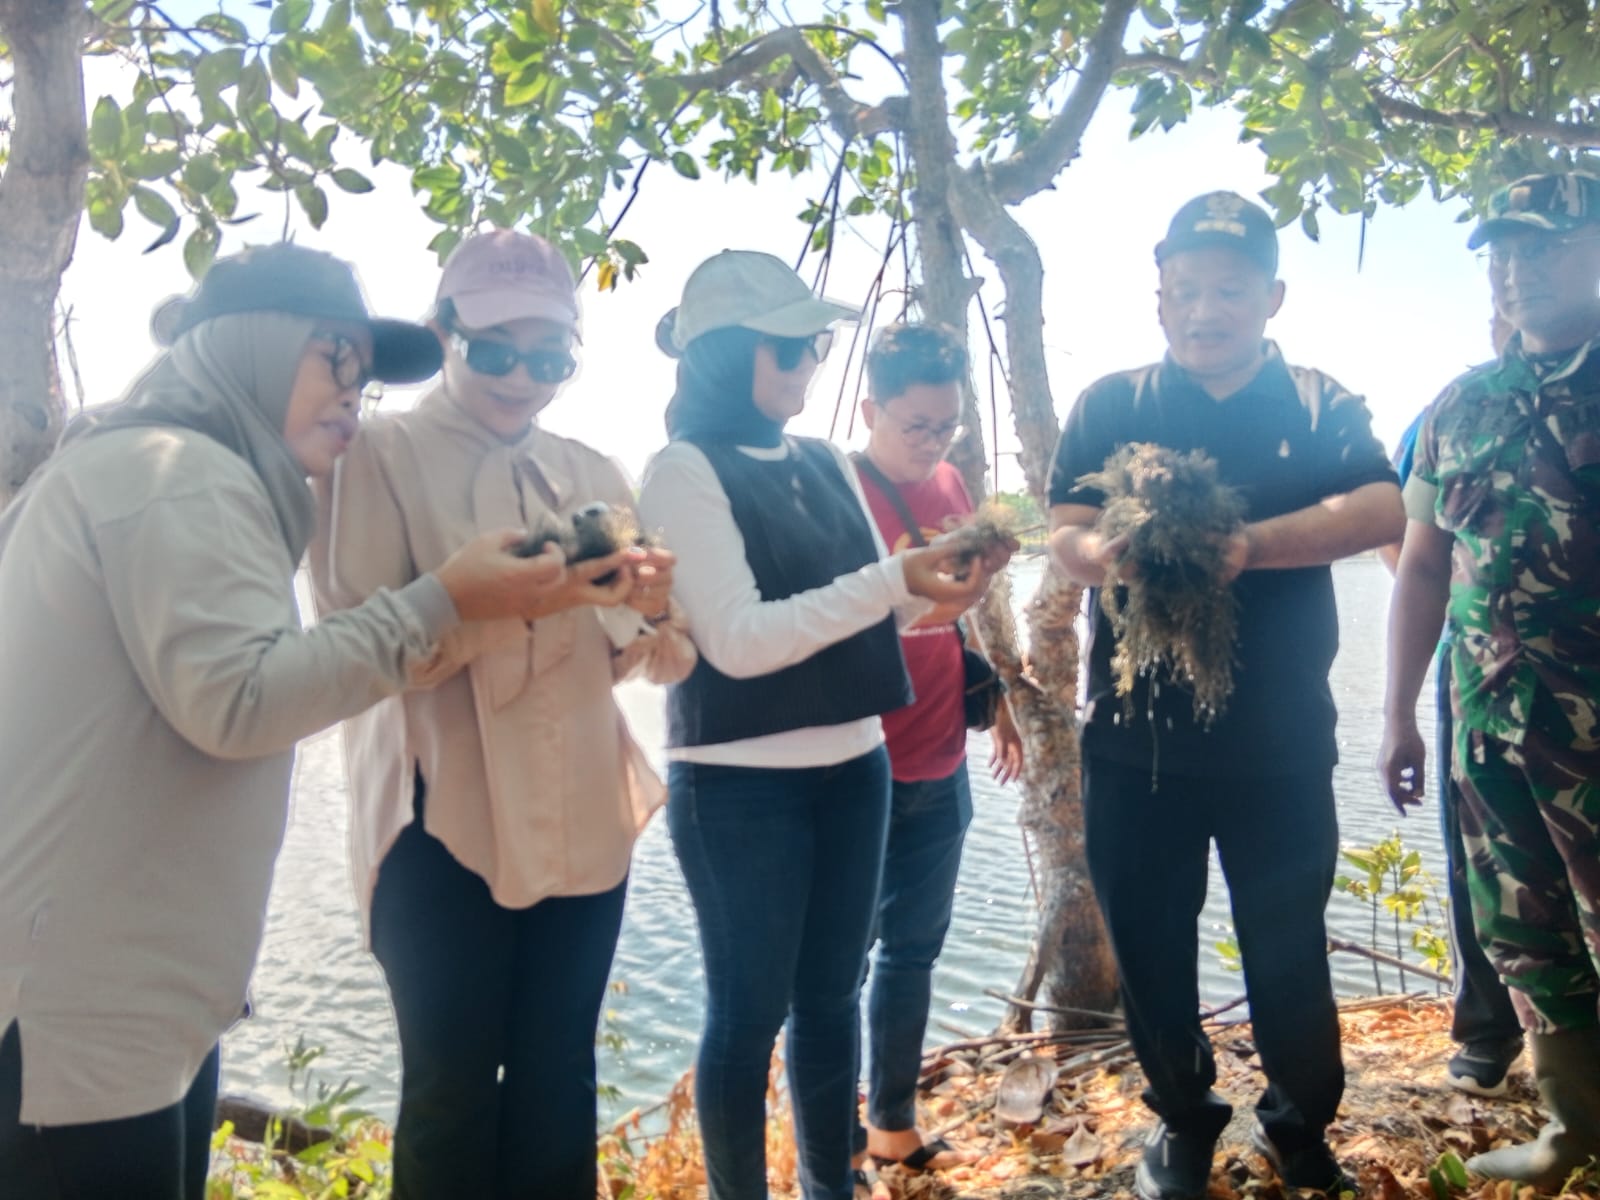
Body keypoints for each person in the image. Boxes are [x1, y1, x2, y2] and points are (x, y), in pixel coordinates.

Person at [0, 243, 570, 1200]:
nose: (354, 396)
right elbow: (240, 700)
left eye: (364, 376)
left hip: (116, 1002)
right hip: (83, 1023)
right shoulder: (177, 472)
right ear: (248, 347)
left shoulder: (155, 463)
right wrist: (445, 600)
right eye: (332, 360)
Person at [310, 229, 693, 1200]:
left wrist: (647, 608)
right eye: (495, 349)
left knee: (561, 1078)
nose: (524, 377)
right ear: (443, 330)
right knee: (448, 1091)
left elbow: (652, 656)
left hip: (581, 813)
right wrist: (521, 602)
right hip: (436, 820)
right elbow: (356, 654)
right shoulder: (375, 457)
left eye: (551, 356)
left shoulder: (591, 464)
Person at [1048, 192, 1403, 1200]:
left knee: (1286, 947)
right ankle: (1183, 1118)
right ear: (1158, 296)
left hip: (1279, 744)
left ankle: (1298, 1129)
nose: (1203, 309)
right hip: (1134, 745)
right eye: (1184, 289)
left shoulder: (1315, 399)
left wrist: (1251, 548)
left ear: (1271, 296)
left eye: (1228, 290)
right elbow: (1066, 523)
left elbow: (1380, 503)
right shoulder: (1112, 403)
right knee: (1149, 947)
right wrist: (1096, 556)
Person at [637, 250, 1009, 1200]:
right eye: (791, 346)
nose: (810, 362)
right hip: (739, 786)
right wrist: (894, 578)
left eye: (815, 344)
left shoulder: (815, 461)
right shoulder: (683, 470)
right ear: (727, 355)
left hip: (856, 766)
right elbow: (741, 641)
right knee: (747, 1014)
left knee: (830, 1002)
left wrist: (947, 588)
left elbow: (873, 620)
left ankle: (828, 1187)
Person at [1380, 171, 1600, 1188]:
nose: (1519, 269)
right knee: (1522, 926)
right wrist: (1397, 716)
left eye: (1547, 244)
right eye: (1503, 250)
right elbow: (1424, 564)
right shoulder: (1460, 404)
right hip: (1486, 725)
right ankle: (1571, 1132)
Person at [848, 322, 1022, 1174]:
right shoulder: (839, 492)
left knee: (913, 950)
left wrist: (1006, 707)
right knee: (836, 964)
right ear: (871, 407)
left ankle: (892, 1121)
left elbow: (962, 615)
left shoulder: (950, 480)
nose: (931, 444)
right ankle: (828, 1129)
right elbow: (866, 622)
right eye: (915, 425)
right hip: (857, 764)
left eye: (946, 425)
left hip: (941, 753)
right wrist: (963, 593)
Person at [1380, 312, 1524, 1099]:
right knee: (1478, 859)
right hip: (1476, 678)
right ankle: (1488, 1028)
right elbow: (1409, 550)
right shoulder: (1451, 409)